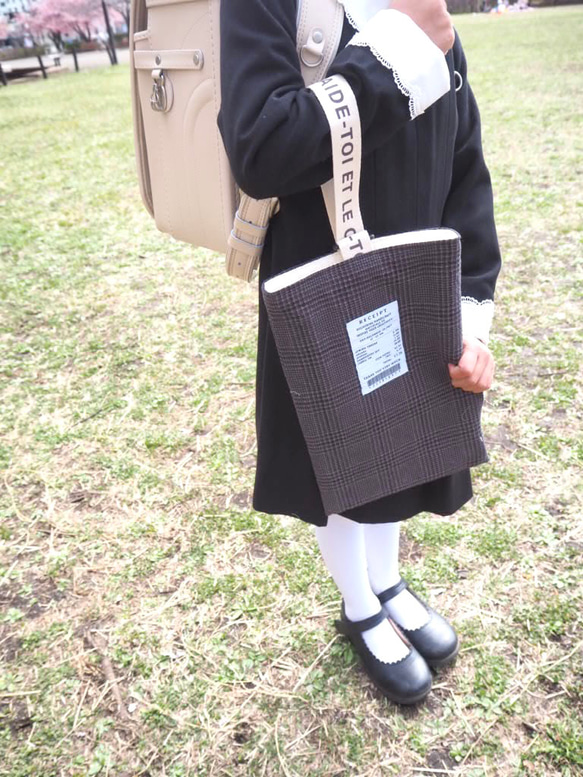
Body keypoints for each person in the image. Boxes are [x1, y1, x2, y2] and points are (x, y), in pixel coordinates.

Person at [218, 0, 501, 705]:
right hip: (318, 278)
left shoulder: (425, 11)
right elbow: (261, 148)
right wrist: (397, 49)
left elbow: (465, 175)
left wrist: (470, 311)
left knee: (402, 444)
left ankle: (387, 582)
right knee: (339, 456)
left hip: (417, 284)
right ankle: (358, 604)